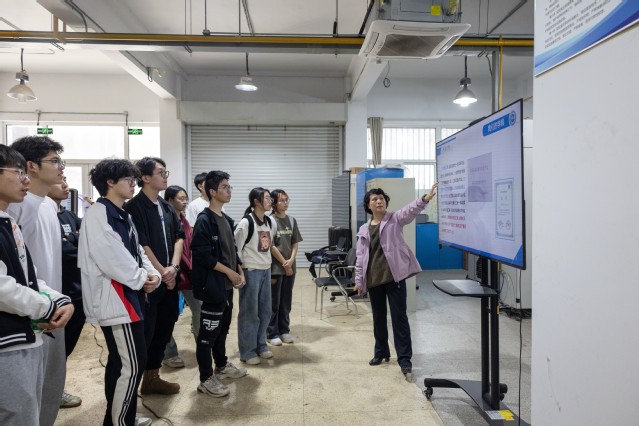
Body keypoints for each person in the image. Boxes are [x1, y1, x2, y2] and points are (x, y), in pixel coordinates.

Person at [79, 159, 160, 426]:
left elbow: (137, 252)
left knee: (122, 363)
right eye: (128, 179)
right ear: (110, 182)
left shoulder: (123, 214)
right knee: (131, 365)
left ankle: (118, 418)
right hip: (116, 301)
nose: (133, 184)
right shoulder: (99, 214)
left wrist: (153, 275)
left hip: (130, 297)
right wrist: (142, 278)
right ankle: (121, 421)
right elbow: (112, 258)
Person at [0, 145, 73, 426]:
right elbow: (5, 288)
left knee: (34, 402)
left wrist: (58, 300)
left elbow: (28, 274)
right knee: (18, 411)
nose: (24, 180)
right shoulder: (16, 212)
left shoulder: (13, 218)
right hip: (13, 333)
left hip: (34, 323)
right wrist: (47, 306)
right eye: (17, 172)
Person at [355, 183, 438, 381]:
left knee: (399, 318)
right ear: (368, 205)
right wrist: (359, 280)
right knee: (378, 318)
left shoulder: (395, 219)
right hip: (374, 279)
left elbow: (409, 210)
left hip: (394, 278)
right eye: (374, 199)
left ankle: (404, 359)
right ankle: (381, 351)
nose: (379, 201)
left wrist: (424, 199)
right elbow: (361, 256)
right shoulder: (364, 229)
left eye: (381, 198)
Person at [124, 157, 184, 395]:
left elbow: (179, 237)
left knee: (165, 329)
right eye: (161, 172)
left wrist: (174, 268)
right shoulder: (134, 207)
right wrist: (162, 271)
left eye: (166, 172)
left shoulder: (166, 206)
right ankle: (134, 383)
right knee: (146, 332)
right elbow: (142, 243)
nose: (166, 176)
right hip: (150, 281)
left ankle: (152, 378)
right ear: (145, 177)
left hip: (170, 279)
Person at [191, 171, 247, 398]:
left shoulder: (227, 220)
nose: (229, 190)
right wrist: (229, 273)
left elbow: (232, 251)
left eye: (229, 186)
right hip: (212, 287)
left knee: (222, 329)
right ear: (212, 191)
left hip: (226, 287)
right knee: (207, 335)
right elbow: (202, 255)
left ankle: (221, 365)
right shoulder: (204, 220)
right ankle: (205, 379)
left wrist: (239, 270)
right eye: (225, 187)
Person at [47, 177, 85, 408]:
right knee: (53, 349)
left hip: (78, 294)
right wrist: (75, 241)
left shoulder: (69, 216)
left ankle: (56, 387)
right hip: (57, 293)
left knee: (66, 347)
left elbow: (86, 243)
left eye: (65, 180)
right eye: (59, 180)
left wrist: (71, 239)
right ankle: (53, 391)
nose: (65, 185)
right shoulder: (43, 214)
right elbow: (63, 250)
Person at [234, 187, 276, 365]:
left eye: (270, 198)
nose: (270, 201)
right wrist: (240, 273)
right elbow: (235, 250)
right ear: (256, 201)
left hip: (266, 269)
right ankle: (247, 351)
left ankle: (261, 345)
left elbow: (269, 246)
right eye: (266, 198)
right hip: (250, 271)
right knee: (249, 313)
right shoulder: (246, 223)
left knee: (265, 311)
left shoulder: (271, 222)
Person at [162, 185, 202, 367]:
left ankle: (203, 345)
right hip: (170, 273)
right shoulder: (164, 220)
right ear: (170, 200)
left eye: (186, 198)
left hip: (188, 274)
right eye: (181, 198)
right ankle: (169, 353)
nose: (185, 202)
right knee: (168, 315)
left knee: (199, 308)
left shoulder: (185, 221)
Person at [267, 189, 303, 346]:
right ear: (274, 203)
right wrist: (284, 262)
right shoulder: (270, 221)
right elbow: (270, 245)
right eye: (282, 200)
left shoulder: (292, 220)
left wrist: (291, 260)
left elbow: (295, 242)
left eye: (287, 200)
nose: (285, 203)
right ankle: (271, 332)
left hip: (290, 267)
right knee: (273, 302)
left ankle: (284, 330)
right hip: (275, 268)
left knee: (286, 301)